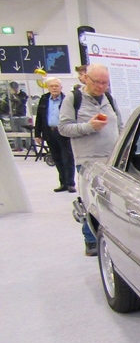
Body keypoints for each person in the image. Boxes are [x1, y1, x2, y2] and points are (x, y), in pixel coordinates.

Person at [58, 64, 123, 256]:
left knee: (111, 201)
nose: (101, 86)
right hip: (88, 160)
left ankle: (111, 237)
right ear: (86, 78)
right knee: (91, 200)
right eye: (97, 82)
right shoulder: (73, 99)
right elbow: (64, 128)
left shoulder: (109, 98)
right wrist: (89, 126)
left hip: (111, 159)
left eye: (105, 83)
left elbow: (120, 125)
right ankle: (90, 239)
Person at [34, 77, 76, 193]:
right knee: (57, 158)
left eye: (56, 86)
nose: (54, 88)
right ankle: (63, 183)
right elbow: (39, 117)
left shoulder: (66, 99)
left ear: (61, 88)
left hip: (63, 133)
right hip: (49, 132)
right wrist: (37, 134)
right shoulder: (44, 99)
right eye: (51, 86)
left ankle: (70, 183)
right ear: (48, 88)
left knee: (67, 158)